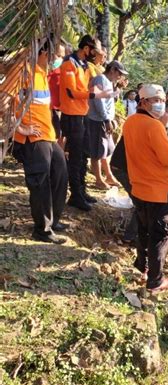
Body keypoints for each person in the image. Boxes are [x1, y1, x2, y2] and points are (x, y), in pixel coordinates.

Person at [123, 84, 168, 292]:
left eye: (162, 100)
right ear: (143, 102)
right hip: (158, 190)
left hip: (139, 187)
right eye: (155, 100)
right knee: (161, 235)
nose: (160, 104)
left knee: (144, 230)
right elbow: (166, 157)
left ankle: (143, 267)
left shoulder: (130, 122)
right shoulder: (153, 126)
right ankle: (155, 280)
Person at [13, 41, 68, 244]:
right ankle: (42, 230)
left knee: (61, 174)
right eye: (57, 55)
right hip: (33, 138)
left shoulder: (41, 73)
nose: (59, 60)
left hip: (48, 135)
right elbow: (3, 101)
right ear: (45, 51)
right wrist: (19, 128)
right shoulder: (22, 72)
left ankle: (53, 222)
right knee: (40, 182)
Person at [59, 34, 114, 211]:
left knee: (83, 156)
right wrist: (96, 95)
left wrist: (100, 91)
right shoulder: (69, 64)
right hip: (71, 116)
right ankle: (75, 195)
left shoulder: (85, 66)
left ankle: (81, 191)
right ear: (86, 49)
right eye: (94, 51)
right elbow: (72, 93)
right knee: (75, 158)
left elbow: (87, 88)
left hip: (83, 115)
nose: (96, 55)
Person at [88, 60, 128, 190]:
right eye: (119, 73)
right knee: (98, 152)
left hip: (104, 120)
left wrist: (119, 88)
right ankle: (98, 179)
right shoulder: (100, 79)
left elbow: (110, 100)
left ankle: (108, 176)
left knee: (107, 149)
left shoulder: (109, 82)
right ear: (113, 70)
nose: (120, 76)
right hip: (97, 120)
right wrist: (106, 120)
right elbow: (99, 101)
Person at [47, 43, 65, 145]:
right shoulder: (43, 70)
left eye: (62, 56)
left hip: (56, 109)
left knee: (57, 134)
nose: (60, 59)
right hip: (46, 108)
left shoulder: (61, 70)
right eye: (58, 56)